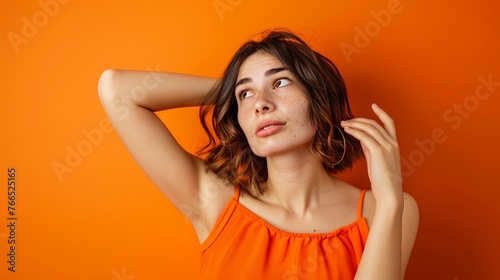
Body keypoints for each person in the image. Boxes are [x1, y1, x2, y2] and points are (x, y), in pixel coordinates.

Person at [98, 30, 419, 279]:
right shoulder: (212, 199)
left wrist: (391, 201)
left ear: (318, 98)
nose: (260, 104)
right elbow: (116, 89)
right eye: (246, 93)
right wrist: (230, 91)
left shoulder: (387, 209)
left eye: (280, 82)